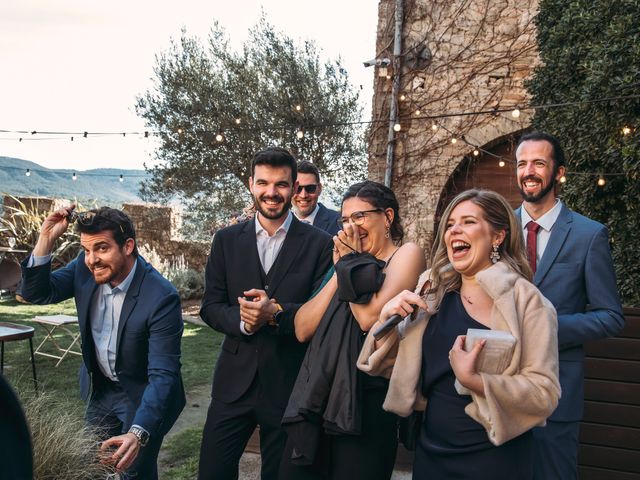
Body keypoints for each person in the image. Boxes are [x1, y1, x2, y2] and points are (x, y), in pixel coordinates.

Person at [357, 189, 561, 480]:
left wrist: (474, 381)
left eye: (468, 222)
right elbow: (388, 365)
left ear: (498, 236)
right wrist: (387, 320)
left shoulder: (527, 301)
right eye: (450, 224)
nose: (454, 231)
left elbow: (544, 393)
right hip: (432, 450)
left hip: (495, 456)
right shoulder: (432, 289)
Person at [198, 146, 333, 480]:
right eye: (263, 183)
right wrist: (243, 322)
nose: (271, 193)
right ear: (251, 184)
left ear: (293, 186)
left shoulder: (319, 244)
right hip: (233, 383)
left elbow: (319, 313)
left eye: (281, 184)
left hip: (289, 383)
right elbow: (211, 307)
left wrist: (275, 313)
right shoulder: (226, 241)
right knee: (212, 473)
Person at [19, 206, 185, 480]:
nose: (91, 260)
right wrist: (46, 238)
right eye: (86, 250)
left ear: (128, 246)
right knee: (90, 467)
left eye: (102, 248)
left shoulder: (161, 296)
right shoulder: (83, 271)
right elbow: (34, 292)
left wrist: (139, 431)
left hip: (143, 394)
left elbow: (163, 374)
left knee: (133, 471)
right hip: (102, 391)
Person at [281, 180, 425, 480]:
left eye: (359, 216)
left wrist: (348, 263)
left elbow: (370, 320)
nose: (351, 226)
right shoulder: (344, 263)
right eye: (345, 220)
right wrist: (340, 272)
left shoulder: (406, 254)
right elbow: (302, 328)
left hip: (369, 399)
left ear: (387, 217)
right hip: (322, 394)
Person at [514, 131, 625, 479]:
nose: (528, 171)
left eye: (538, 163)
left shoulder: (589, 235)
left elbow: (610, 317)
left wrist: (547, 327)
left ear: (559, 172)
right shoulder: (497, 231)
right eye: (521, 163)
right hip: (496, 389)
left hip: (557, 393)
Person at [292, 160, 340, 235]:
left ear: (319, 189)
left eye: (310, 188)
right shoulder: (280, 224)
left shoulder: (339, 222)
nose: (303, 195)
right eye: (298, 188)